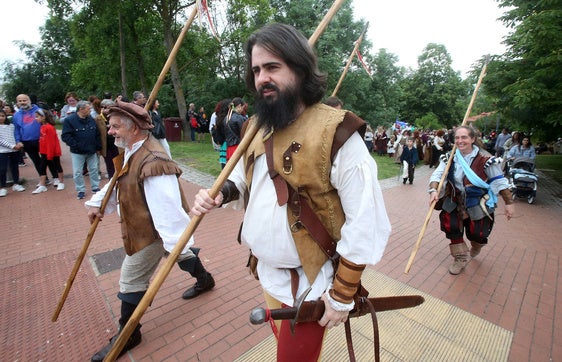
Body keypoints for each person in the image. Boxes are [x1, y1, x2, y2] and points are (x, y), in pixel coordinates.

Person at [191, 23, 390, 361]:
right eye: (256, 70)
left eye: (272, 67)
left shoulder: (338, 131)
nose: (261, 78)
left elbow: (366, 220)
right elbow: (242, 177)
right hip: (267, 273)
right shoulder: (259, 126)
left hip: (312, 287)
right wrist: (219, 193)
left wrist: (342, 294)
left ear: (299, 68)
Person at [85, 100, 214, 361]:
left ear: (135, 130)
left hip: (150, 232)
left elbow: (167, 210)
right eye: (110, 126)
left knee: (131, 278)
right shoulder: (133, 149)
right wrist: (98, 202)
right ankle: (205, 279)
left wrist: (176, 241)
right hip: (145, 226)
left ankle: (129, 332)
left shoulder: (154, 161)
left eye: (115, 127)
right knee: (181, 254)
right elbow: (118, 180)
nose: (110, 132)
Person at [428, 126, 514, 275]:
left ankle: (477, 245)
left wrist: (509, 203)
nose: (460, 141)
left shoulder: (485, 159)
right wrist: (434, 190)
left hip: (478, 201)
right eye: (457, 138)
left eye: (464, 137)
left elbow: (499, 182)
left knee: (478, 233)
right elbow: (437, 175)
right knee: (451, 226)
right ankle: (460, 258)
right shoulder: (450, 157)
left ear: (473, 139)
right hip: (455, 199)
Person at [61, 100, 102, 199]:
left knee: (94, 169)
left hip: (91, 150)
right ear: (81, 109)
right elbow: (66, 136)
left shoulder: (91, 119)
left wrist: (98, 147)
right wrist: (76, 145)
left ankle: (95, 187)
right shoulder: (69, 120)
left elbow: (97, 134)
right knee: (77, 172)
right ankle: (80, 190)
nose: (90, 111)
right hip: (78, 152)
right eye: (88, 109)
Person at [13, 94, 56, 182]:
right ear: (17, 103)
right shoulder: (16, 115)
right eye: (20, 101)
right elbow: (16, 129)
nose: (22, 102)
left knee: (48, 158)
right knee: (36, 161)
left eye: (24, 100)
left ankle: (55, 177)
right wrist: (18, 141)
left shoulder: (39, 111)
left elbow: (49, 123)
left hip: (41, 139)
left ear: (29, 101)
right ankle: (44, 179)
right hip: (26, 141)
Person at [32, 108, 65, 193]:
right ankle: (42, 185)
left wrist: (50, 154)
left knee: (57, 165)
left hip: (52, 151)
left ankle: (61, 182)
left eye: (37, 117)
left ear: (43, 117)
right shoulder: (42, 126)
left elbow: (51, 142)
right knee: (42, 167)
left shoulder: (49, 128)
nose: (36, 118)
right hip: (44, 151)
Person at [0, 109, 26, 196]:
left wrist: (18, 143)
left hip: (14, 150)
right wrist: (12, 146)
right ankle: (2, 187)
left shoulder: (11, 126)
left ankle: (16, 184)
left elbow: (16, 135)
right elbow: (1, 141)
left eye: (3, 116)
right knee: (2, 169)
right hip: (2, 151)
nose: (1, 118)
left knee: (14, 167)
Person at [95, 99, 120, 179]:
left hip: (117, 144)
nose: (111, 110)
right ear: (103, 108)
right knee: (109, 164)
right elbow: (97, 134)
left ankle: (119, 179)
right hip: (106, 146)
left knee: (119, 163)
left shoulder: (115, 117)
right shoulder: (98, 119)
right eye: (110, 108)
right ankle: (112, 181)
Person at [224, 97, 246, 162]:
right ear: (239, 106)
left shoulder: (226, 117)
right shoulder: (238, 117)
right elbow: (243, 133)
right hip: (237, 147)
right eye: (242, 107)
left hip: (229, 148)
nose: (242, 110)